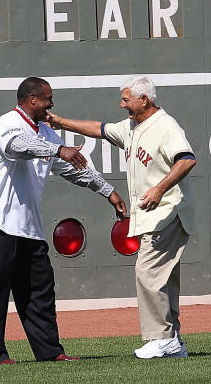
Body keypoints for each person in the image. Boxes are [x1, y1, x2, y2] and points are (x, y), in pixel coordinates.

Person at [0, 76, 127, 365]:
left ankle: (50, 352)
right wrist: (57, 149)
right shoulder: (8, 122)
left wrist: (109, 191)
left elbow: (74, 168)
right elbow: (17, 146)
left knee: (40, 292)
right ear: (32, 100)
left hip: (29, 226)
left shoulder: (45, 131)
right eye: (47, 98)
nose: (51, 104)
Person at [47, 75, 195, 359]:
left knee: (147, 272)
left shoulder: (166, 126)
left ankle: (161, 338)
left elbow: (186, 159)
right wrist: (62, 123)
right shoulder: (133, 126)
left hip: (168, 212)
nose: (121, 104)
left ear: (144, 100)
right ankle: (172, 340)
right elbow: (99, 129)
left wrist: (159, 189)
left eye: (126, 99)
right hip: (156, 215)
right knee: (162, 278)